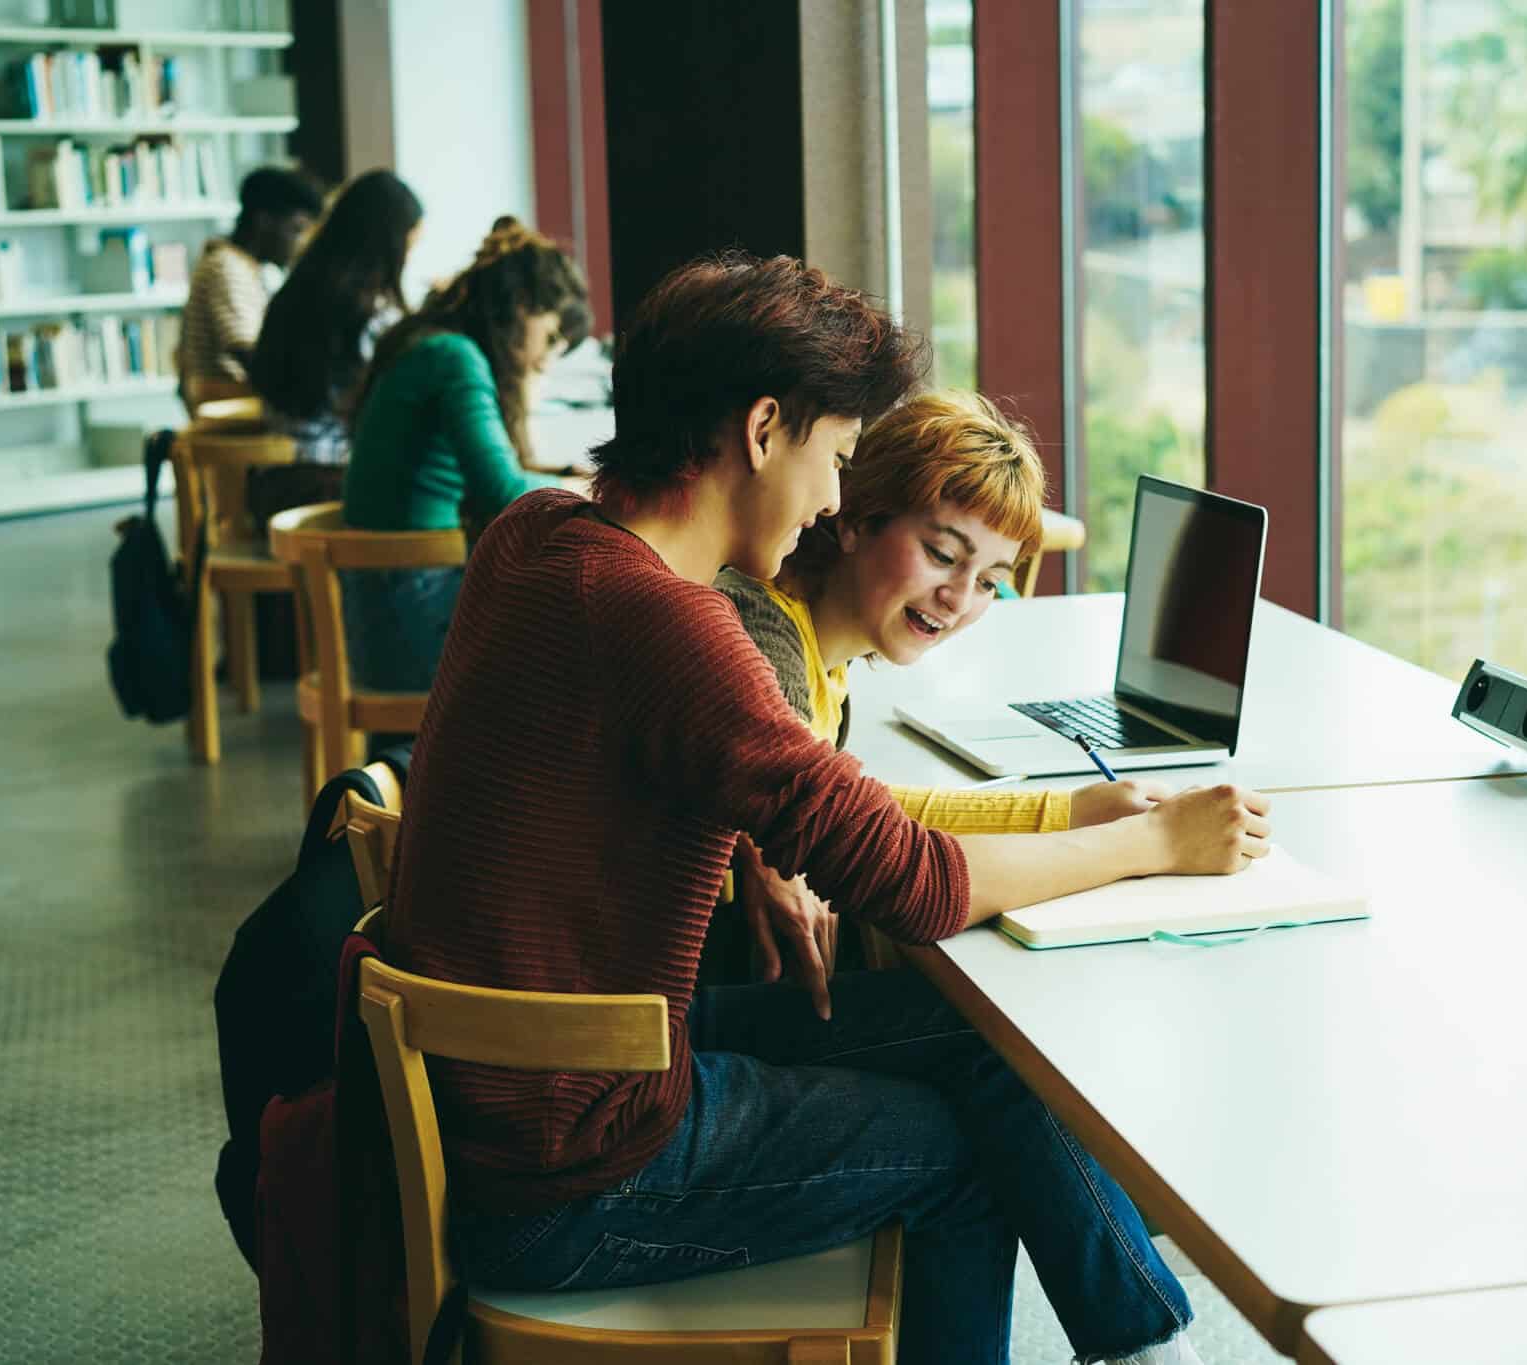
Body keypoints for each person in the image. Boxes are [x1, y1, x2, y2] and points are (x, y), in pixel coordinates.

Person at [390, 249, 1270, 1364]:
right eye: (837, 456)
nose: (829, 499)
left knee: (984, 1040)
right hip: (573, 1167)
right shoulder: (673, 625)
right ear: (764, 430)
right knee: (965, 1155)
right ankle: (1150, 1349)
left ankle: (1147, 1347)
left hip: (536, 1086)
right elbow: (917, 885)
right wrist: (1152, 839)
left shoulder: (537, 531)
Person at [713, 389, 1170, 983]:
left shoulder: (824, 661)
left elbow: (865, 814)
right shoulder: (762, 633)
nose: (958, 599)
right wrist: (1147, 844)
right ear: (855, 519)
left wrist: (1067, 811)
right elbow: (886, 859)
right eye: (941, 554)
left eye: (988, 582)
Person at [338, 217, 590, 691]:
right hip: (412, 617)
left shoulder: (430, 342)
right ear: (521, 308)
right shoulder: (454, 357)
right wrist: (597, 487)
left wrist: (561, 475)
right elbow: (505, 493)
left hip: (385, 613)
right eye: (551, 337)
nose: (546, 359)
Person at [249, 169, 425, 465]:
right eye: (408, 248)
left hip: (276, 469)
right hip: (334, 476)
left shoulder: (294, 290)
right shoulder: (370, 315)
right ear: (390, 247)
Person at [178, 166, 322, 406]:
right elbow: (246, 350)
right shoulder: (226, 267)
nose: (299, 244)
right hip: (227, 407)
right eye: (296, 229)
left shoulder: (244, 267)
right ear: (264, 221)